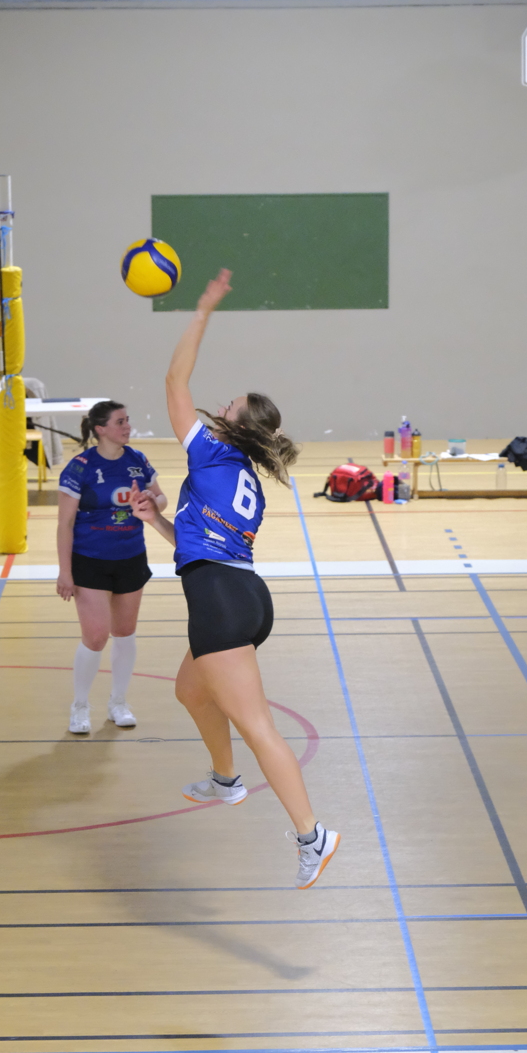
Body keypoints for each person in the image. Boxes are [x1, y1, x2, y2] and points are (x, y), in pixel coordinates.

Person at [129, 269, 340, 889]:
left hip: (222, 601)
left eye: (226, 408)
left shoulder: (211, 451)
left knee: (258, 726)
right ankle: (226, 780)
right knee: (191, 691)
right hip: (241, 594)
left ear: (235, 426)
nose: (217, 408)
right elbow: (201, 548)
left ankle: (312, 835)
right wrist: (156, 520)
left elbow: (174, 382)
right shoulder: (240, 476)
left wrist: (203, 308)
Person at [56, 400, 167, 732]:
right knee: (95, 636)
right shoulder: (80, 467)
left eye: (127, 420)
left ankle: (118, 703)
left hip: (131, 556)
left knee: (125, 633)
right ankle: (79, 707)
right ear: (100, 429)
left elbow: (161, 498)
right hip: (90, 560)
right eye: (120, 422)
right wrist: (65, 571)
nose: (127, 426)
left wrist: (151, 501)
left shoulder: (137, 460)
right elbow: (65, 523)